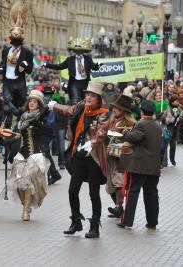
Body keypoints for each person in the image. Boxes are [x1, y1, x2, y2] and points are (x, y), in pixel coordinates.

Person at [49, 81, 109, 238]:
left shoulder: (103, 113)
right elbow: (69, 110)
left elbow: (102, 132)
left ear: (98, 98)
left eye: (92, 95)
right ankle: (76, 221)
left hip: (93, 159)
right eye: (87, 94)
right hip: (78, 157)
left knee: (93, 194)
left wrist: (92, 142)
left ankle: (94, 226)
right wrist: (53, 105)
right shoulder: (82, 107)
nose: (88, 97)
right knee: (72, 190)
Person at [117, 100, 162, 229]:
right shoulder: (157, 125)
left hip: (139, 166)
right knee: (151, 194)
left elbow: (134, 137)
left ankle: (127, 221)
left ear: (142, 111)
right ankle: (152, 221)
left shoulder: (141, 124)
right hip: (153, 166)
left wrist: (125, 133)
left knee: (133, 192)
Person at [7, 90, 50, 222]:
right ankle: (25, 205)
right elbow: (17, 130)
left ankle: (25, 211)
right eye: (30, 101)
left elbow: (44, 128)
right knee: (18, 184)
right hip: (21, 154)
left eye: (35, 101)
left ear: (39, 104)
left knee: (29, 184)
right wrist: (14, 134)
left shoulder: (41, 117)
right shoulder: (23, 117)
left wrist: (40, 120)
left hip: (34, 155)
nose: (32, 103)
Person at [0, 1, 33, 116]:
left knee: (22, 99)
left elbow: (30, 68)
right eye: (14, 34)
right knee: (7, 101)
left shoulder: (27, 52)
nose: (16, 36)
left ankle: (18, 119)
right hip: (7, 80)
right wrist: (0, 70)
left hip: (19, 81)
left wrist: (25, 66)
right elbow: (3, 63)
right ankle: (12, 115)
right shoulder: (6, 50)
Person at [43, 38, 100, 104]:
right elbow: (59, 66)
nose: (78, 52)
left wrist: (99, 64)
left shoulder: (88, 59)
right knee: (75, 102)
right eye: (76, 50)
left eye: (80, 50)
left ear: (83, 50)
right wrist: (46, 64)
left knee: (86, 102)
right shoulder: (70, 59)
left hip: (86, 83)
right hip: (75, 83)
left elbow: (94, 67)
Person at [106, 95, 136, 218]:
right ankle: (119, 209)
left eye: (117, 108)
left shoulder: (131, 123)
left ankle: (119, 207)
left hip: (122, 157)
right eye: (114, 107)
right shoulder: (113, 120)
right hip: (110, 156)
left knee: (119, 182)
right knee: (110, 185)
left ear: (123, 110)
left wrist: (117, 146)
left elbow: (131, 142)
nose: (114, 110)